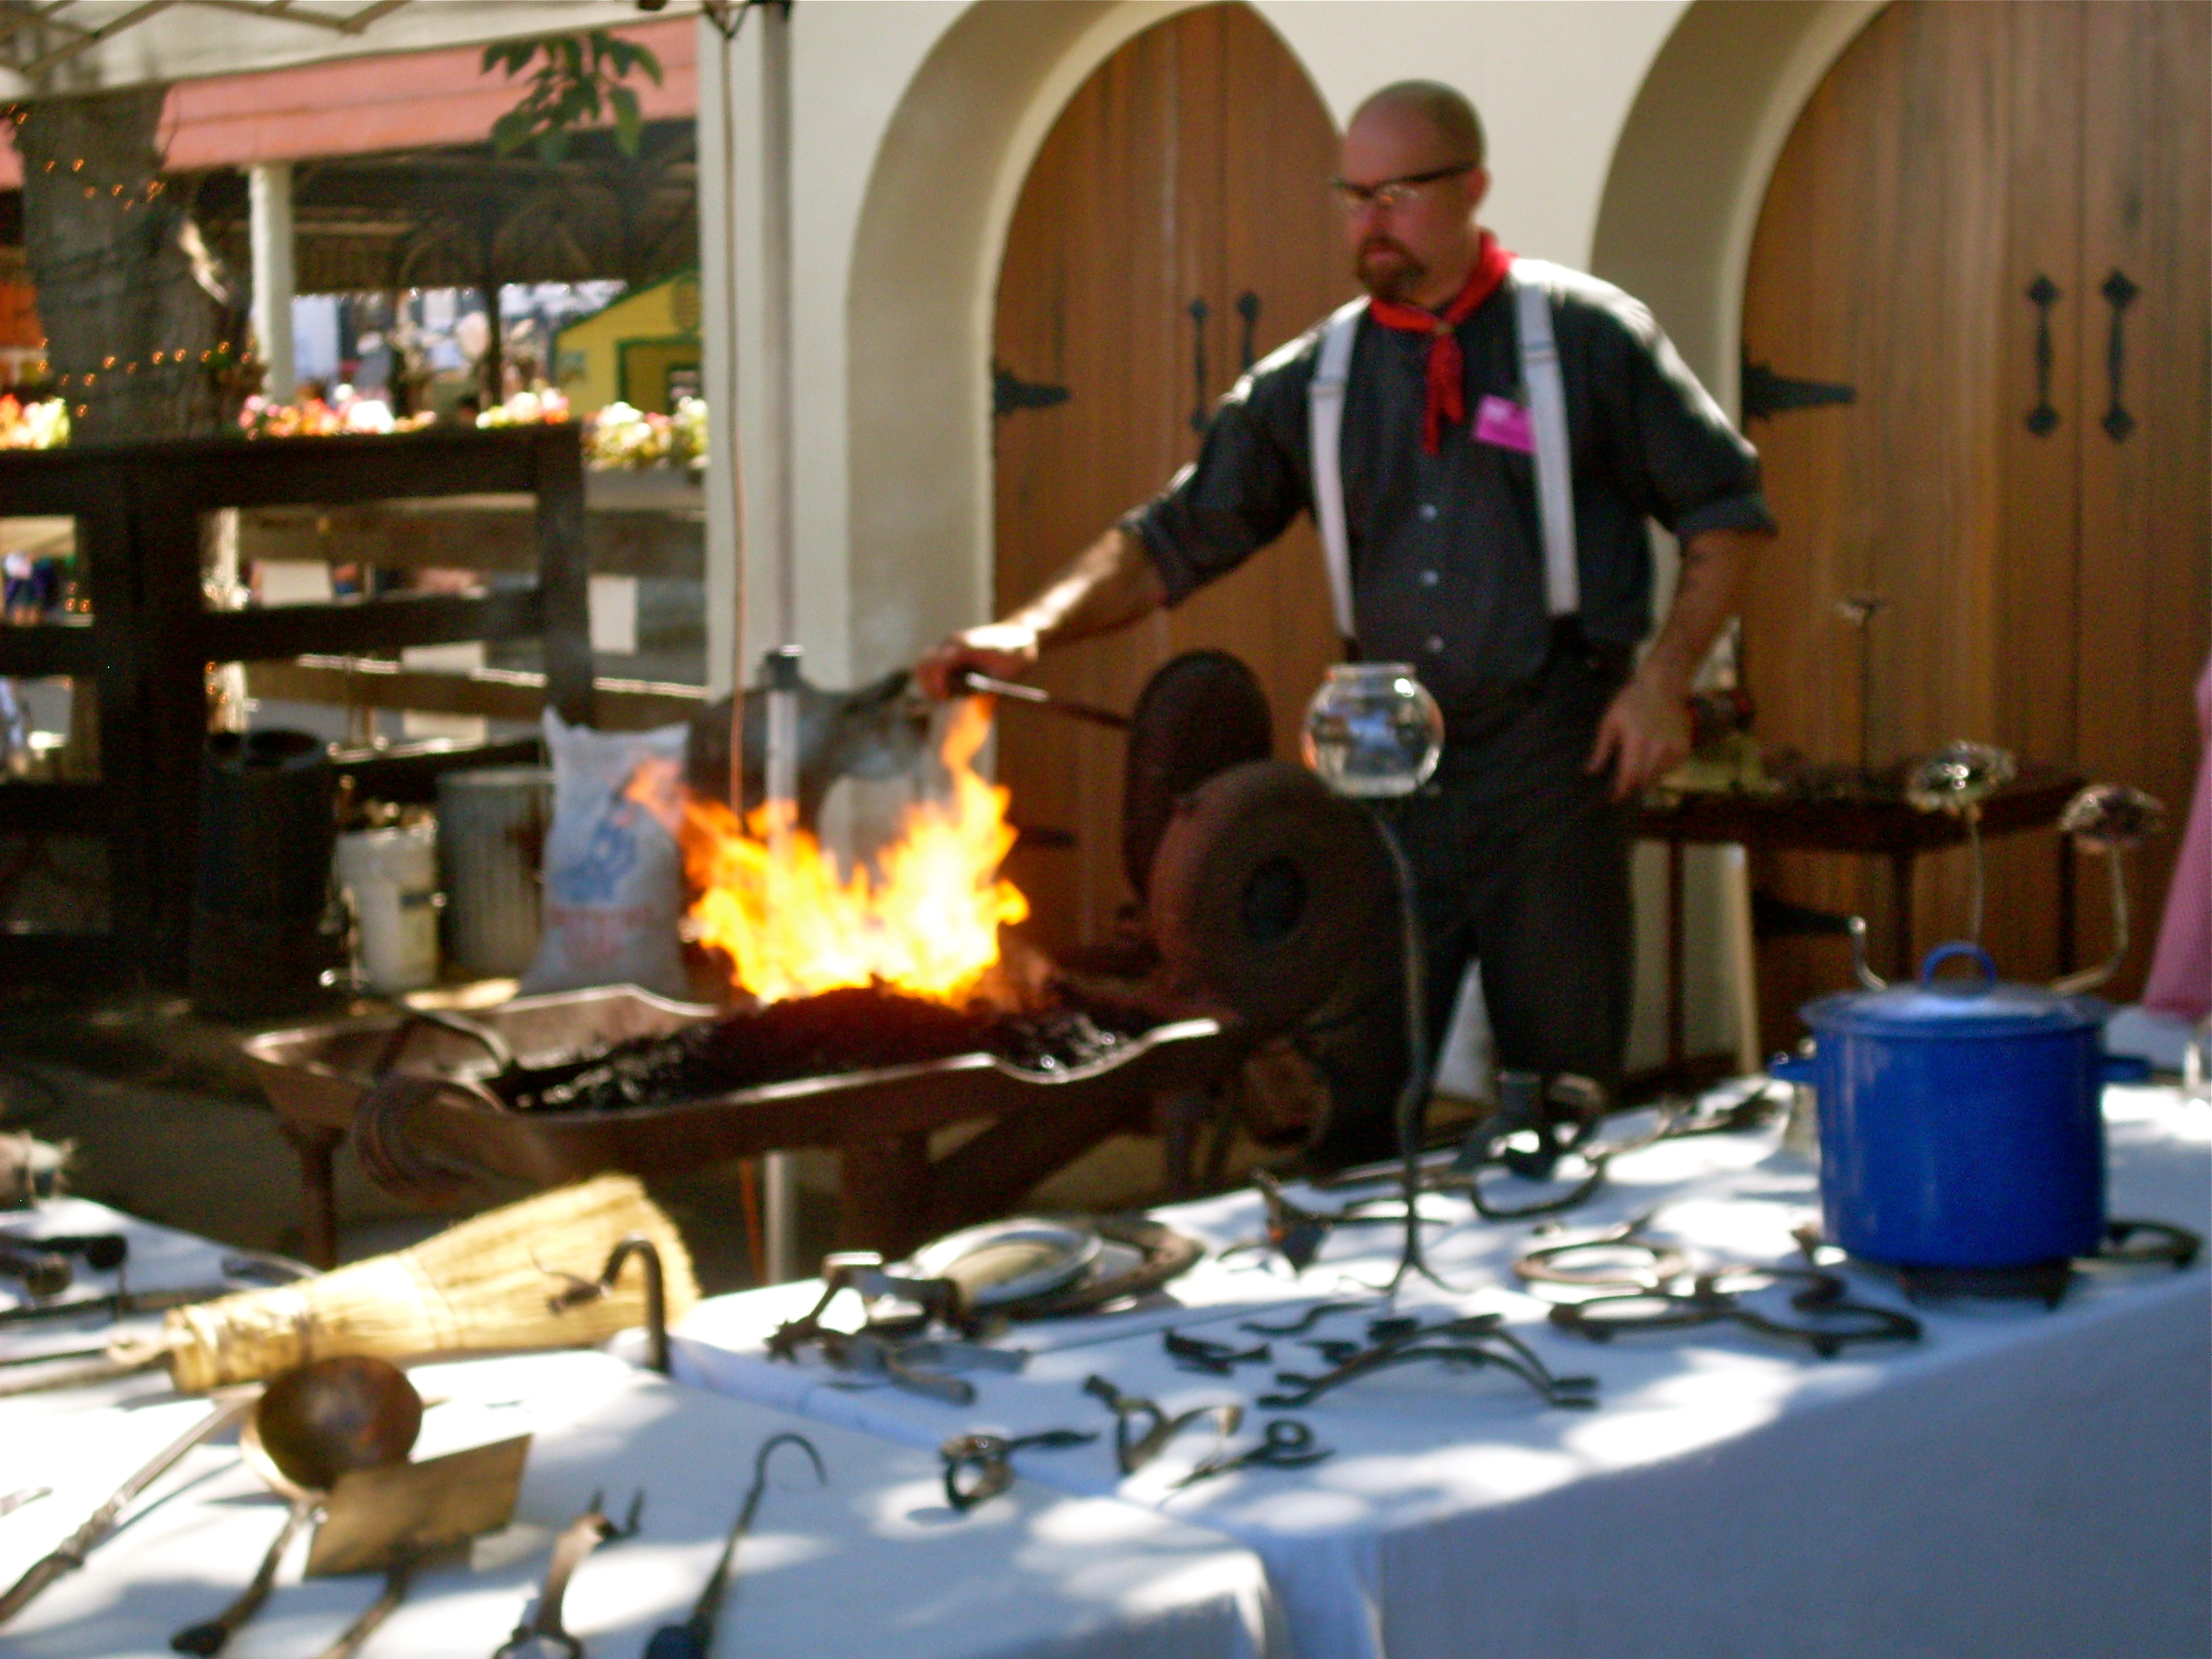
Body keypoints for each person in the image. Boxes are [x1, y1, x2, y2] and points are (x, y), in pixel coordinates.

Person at [919, 81, 1777, 1166]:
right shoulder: (1314, 379)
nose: (1372, 219)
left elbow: (1729, 515)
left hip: (1550, 746)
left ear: (1472, 189)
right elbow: (1172, 537)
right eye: (1354, 195)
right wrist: (1029, 630)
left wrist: (1662, 680)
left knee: (1554, 1087)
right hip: (1382, 754)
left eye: (1400, 194)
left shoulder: (1586, 339)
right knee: (1358, 1079)